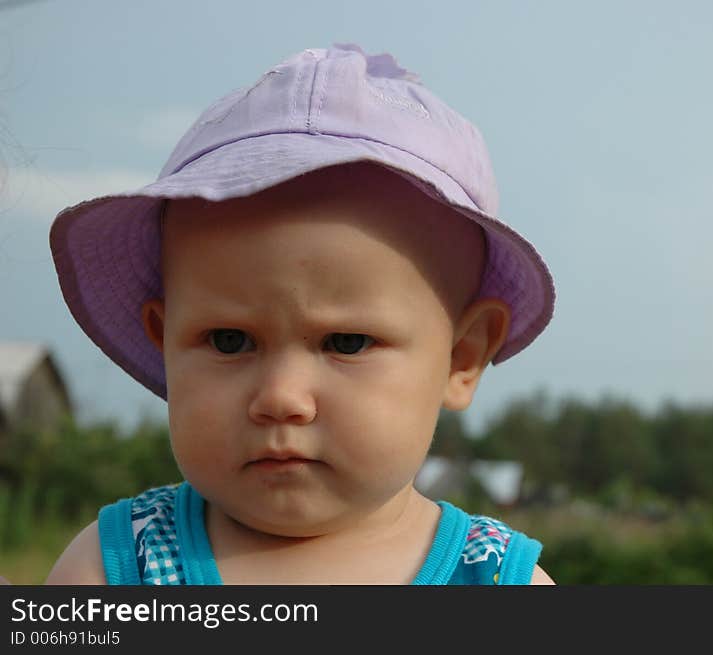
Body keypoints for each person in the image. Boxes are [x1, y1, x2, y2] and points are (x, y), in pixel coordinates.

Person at [44, 43, 556, 585]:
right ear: (163, 342)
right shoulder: (117, 568)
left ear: (462, 357)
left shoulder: (498, 580)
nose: (281, 398)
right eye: (228, 340)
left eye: (347, 342)